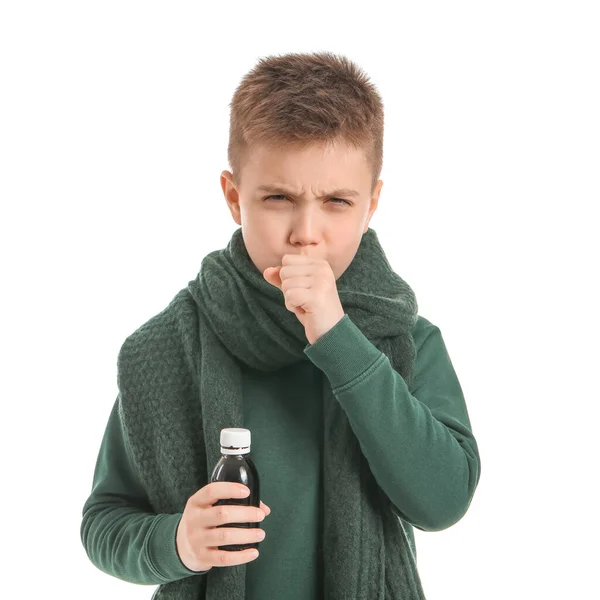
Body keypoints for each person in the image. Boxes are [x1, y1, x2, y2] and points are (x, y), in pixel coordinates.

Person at [80, 51, 481, 600]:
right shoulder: (164, 349)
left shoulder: (404, 338)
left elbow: (442, 502)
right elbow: (104, 519)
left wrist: (338, 337)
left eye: (338, 202)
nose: (306, 233)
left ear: (371, 205)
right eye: (278, 198)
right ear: (233, 196)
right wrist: (174, 541)